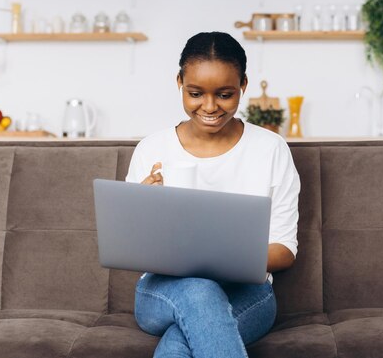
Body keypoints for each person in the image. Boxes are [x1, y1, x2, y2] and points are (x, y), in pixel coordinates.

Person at [125, 31, 301, 358]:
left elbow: (284, 249)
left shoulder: (270, 150)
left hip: (247, 293)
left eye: (224, 94)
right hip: (162, 292)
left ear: (243, 86)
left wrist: (223, 261)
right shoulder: (152, 149)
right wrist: (144, 211)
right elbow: (132, 249)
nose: (209, 106)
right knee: (200, 291)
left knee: (179, 343)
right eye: (195, 93)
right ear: (179, 82)